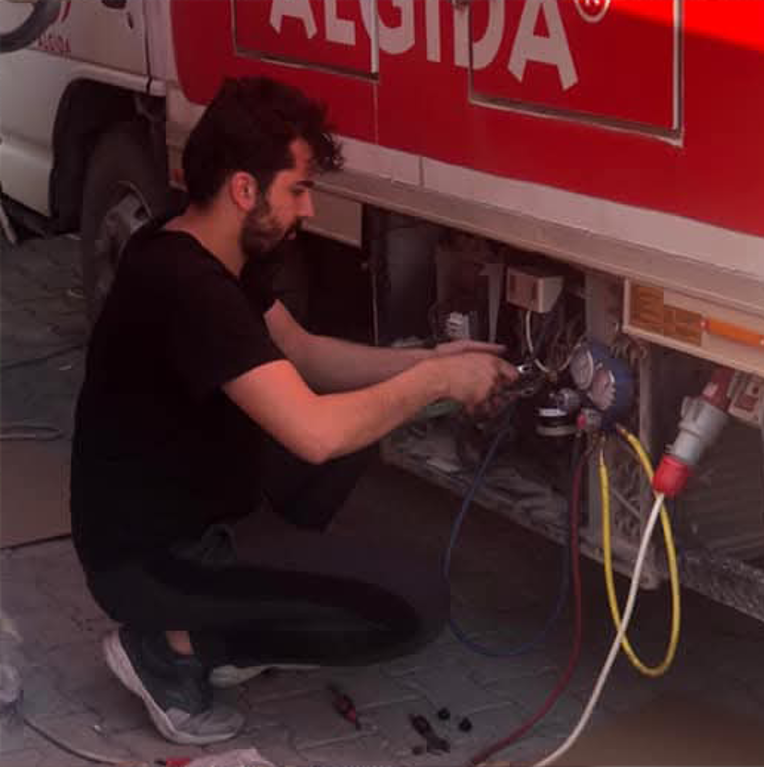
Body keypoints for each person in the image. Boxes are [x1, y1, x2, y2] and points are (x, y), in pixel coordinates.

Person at [70, 76, 518, 746]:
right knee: (416, 604)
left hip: (196, 504)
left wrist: (433, 361)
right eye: (298, 189)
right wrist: (436, 383)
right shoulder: (187, 286)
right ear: (245, 190)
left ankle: (217, 614)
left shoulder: (196, 242)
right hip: (151, 555)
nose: (308, 209)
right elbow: (312, 434)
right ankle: (173, 646)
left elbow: (305, 355)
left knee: (364, 419)